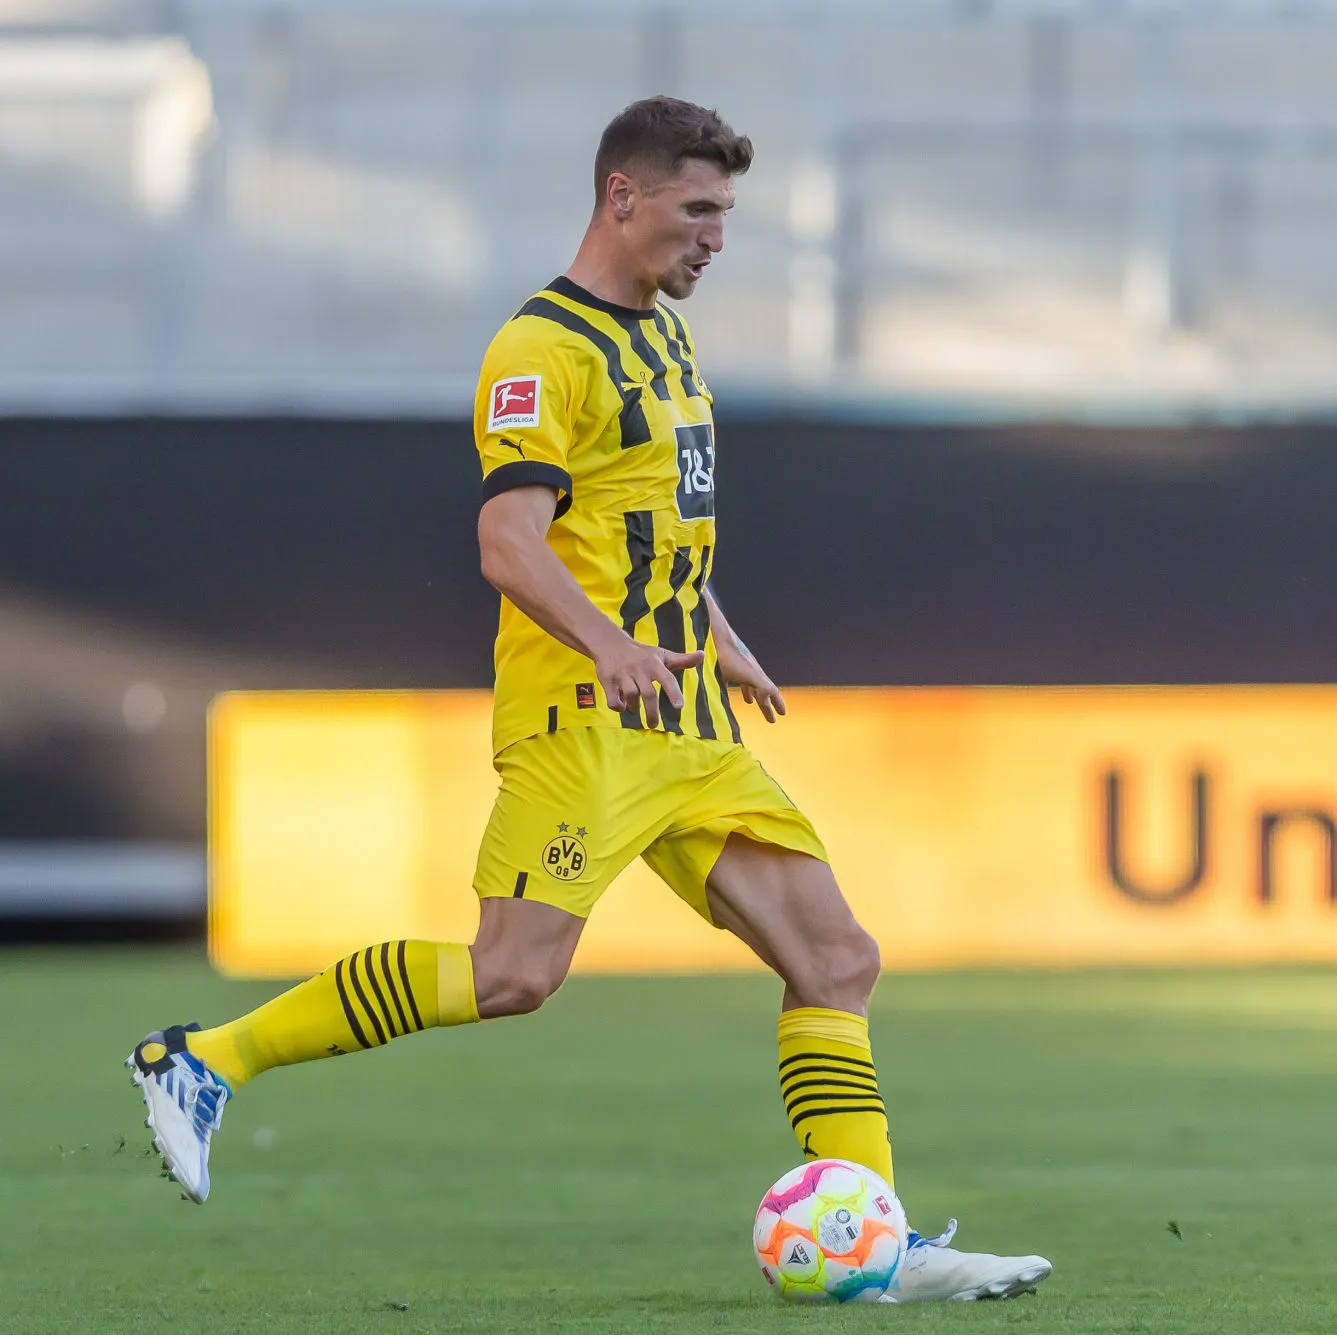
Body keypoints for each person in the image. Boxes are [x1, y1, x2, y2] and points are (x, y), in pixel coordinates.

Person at [126, 96, 1051, 1304]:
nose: (718, 237)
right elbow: (510, 541)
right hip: (586, 724)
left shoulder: (664, 338)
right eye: (699, 209)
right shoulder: (540, 353)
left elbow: (640, 527)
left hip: (684, 724)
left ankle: (882, 1250)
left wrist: (715, 635)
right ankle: (201, 1061)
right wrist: (615, 644)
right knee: (512, 976)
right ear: (624, 195)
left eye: (728, 213)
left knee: (837, 958)